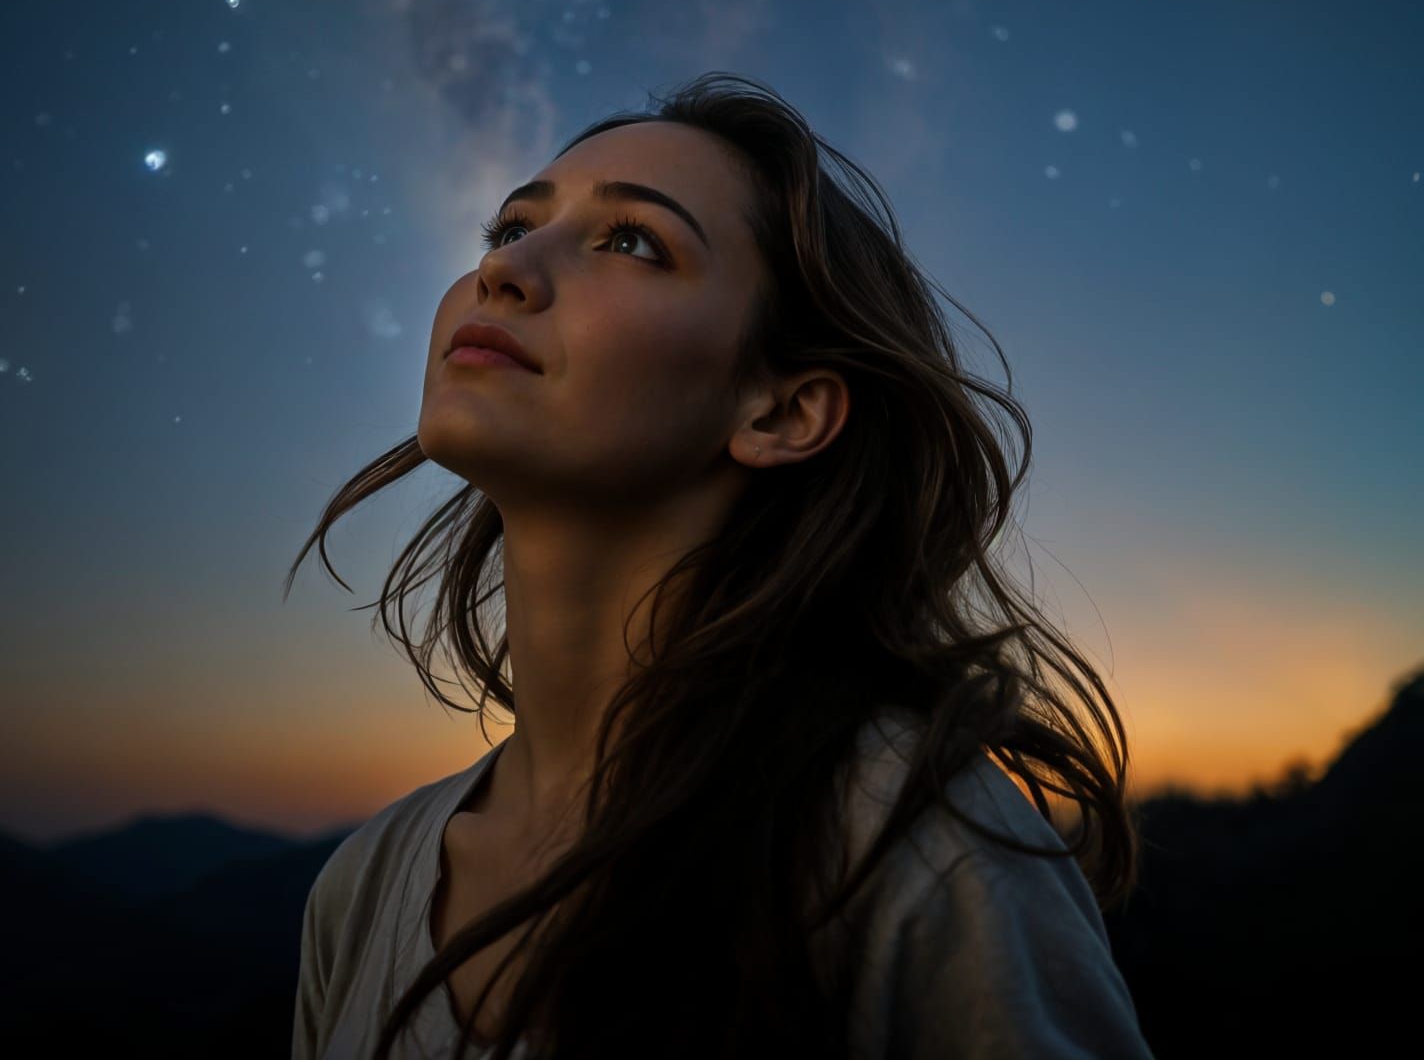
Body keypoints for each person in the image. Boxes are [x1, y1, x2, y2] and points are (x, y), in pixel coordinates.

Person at [288, 72, 1156, 1060]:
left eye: (632, 242)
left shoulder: (910, 851)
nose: (508, 269)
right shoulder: (362, 891)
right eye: (509, 229)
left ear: (780, 412)